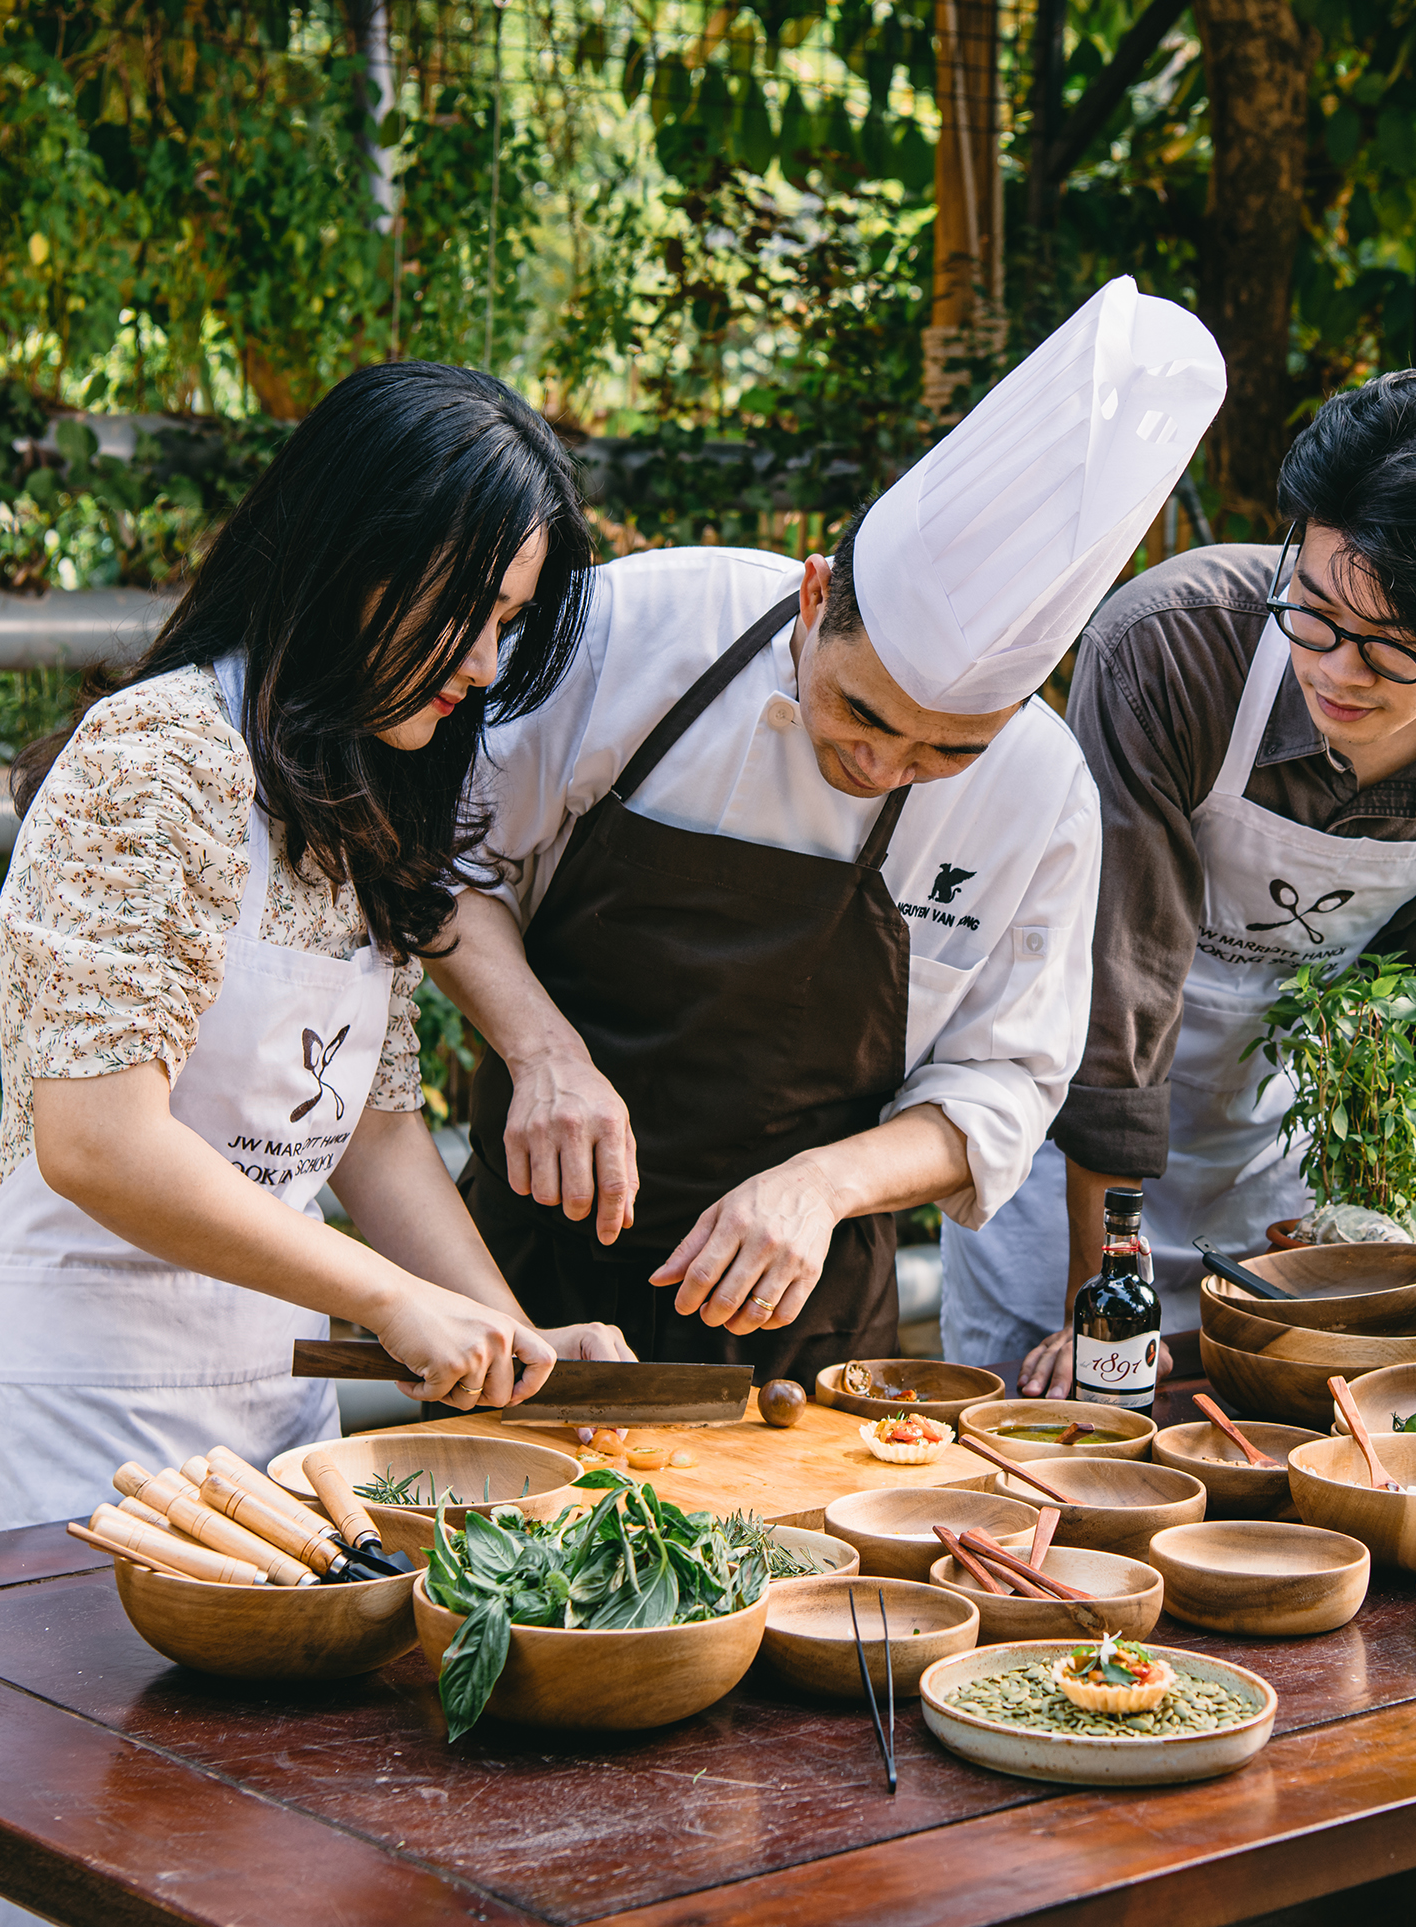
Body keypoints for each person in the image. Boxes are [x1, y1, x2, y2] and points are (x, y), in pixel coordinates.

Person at [0, 361, 635, 1565]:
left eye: (511, 625)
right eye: (475, 614)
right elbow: (97, 1138)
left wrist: (520, 1346)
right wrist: (389, 1299)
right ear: (357, 557)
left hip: (281, 1462)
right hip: (66, 1446)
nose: (489, 667)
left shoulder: (361, 792)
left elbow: (376, 1133)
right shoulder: (157, 758)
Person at [427, 278, 1227, 1383]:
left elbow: (1004, 1086)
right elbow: (445, 866)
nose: (883, 766)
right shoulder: (635, 630)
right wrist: (541, 1048)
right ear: (814, 599)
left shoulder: (1042, 791)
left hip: (797, 1325)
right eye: (862, 711)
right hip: (527, 1271)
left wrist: (826, 1184)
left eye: (949, 751)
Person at [937, 367, 1416, 1393]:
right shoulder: (1169, 648)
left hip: (1284, 1166)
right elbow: (1117, 984)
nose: (1337, 670)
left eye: (1393, 651)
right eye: (1318, 610)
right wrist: (1100, 1298)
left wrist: (1375, 1268)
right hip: (1070, 1145)